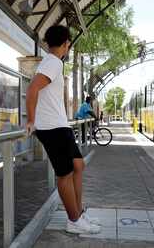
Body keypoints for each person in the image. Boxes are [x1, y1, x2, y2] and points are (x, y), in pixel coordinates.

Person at [26, 25, 101, 234]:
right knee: (65, 174)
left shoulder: (53, 63)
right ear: (66, 43)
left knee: (78, 165)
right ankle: (74, 220)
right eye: (69, 43)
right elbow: (32, 89)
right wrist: (31, 120)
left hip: (60, 125)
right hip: (51, 127)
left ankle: (79, 212)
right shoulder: (53, 63)